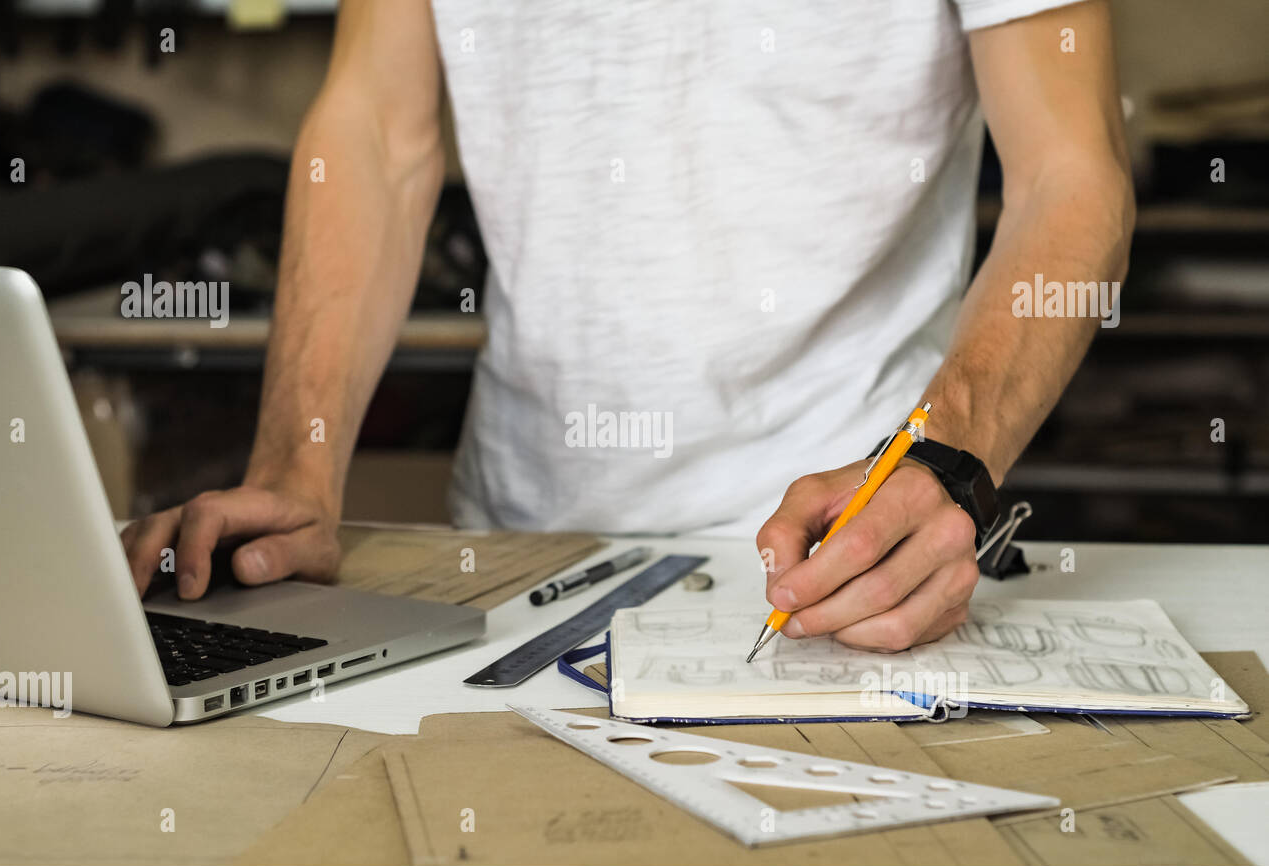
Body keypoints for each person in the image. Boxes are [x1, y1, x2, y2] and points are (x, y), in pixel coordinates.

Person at [121, 0, 1134, 653]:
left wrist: (945, 457)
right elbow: (376, 130)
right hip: (509, 560)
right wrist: (292, 463)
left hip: (843, 561)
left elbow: (1068, 175)